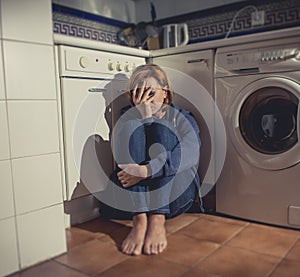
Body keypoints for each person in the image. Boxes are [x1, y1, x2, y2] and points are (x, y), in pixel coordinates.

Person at [100, 64, 202, 256]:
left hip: (175, 195)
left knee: (164, 132)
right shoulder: (126, 118)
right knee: (131, 126)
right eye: (140, 92)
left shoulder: (182, 118)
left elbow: (190, 154)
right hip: (135, 200)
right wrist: (143, 117)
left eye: (151, 92)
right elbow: (124, 161)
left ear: (165, 93)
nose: (146, 98)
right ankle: (139, 220)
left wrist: (146, 171)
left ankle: (157, 218)